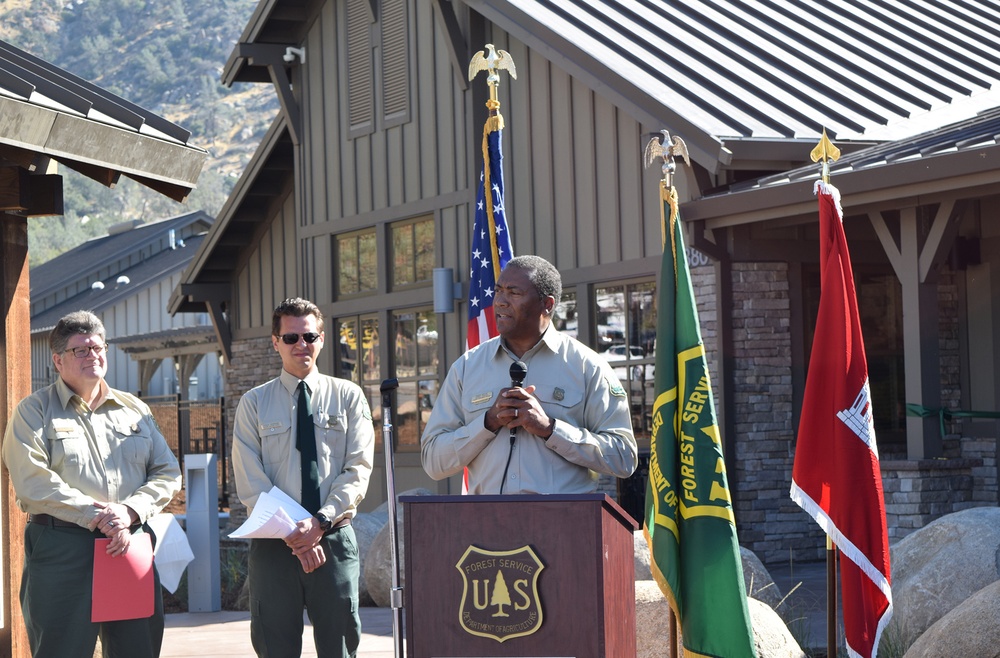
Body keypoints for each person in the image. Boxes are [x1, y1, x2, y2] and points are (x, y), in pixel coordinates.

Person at [2, 310, 182, 658]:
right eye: (80, 350)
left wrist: (129, 511)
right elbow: (31, 481)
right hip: (62, 549)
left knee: (137, 649)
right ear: (57, 360)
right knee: (61, 650)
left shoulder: (135, 410)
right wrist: (97, 514)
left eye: (98, 348)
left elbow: (167, 472)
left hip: (127, 546)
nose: (93, 355)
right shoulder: (33, 412)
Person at [422, 255, 638, 494]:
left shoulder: (587, 367)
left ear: (546, 304)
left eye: (514, 293)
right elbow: (433, 461)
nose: (500, 301)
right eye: (498, 291)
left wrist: (550, 429)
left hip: (562, 523)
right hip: (486, 524)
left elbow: (623, 457)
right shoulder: (467, 367)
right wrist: (488, 422)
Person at [232, 298, 375, 658]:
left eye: (309, 336)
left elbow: (357, 469)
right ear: (275, 342)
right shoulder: (254, 403)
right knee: (274, 647)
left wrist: (320, 523)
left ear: (322, 339)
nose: (301, 345)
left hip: (334, 540)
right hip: (275, 546)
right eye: (291, 337)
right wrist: (297, 532)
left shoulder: (348, 397)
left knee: (340, 646)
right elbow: (250, 479)